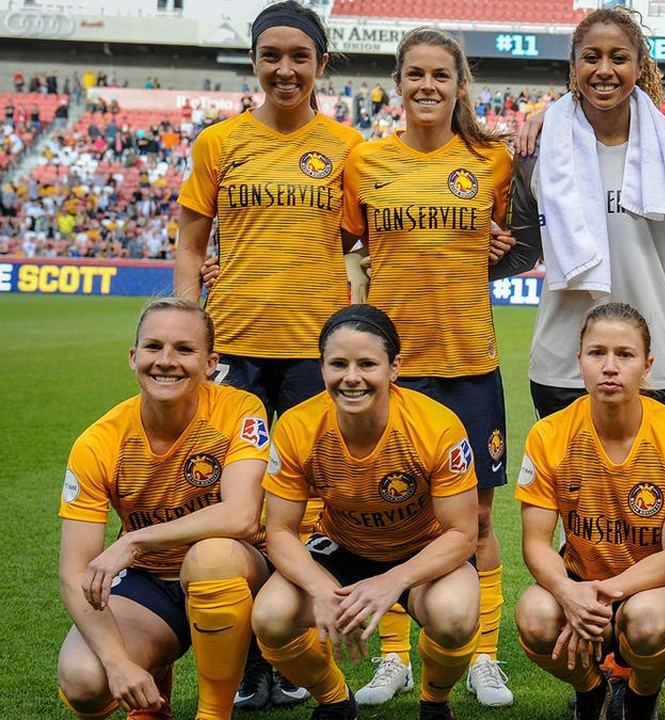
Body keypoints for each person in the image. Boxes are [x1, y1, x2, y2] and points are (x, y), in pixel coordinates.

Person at [174, 2, 367, 708]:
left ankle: (290, 649)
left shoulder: (348, 147)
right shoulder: (219, 143)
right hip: (234, 347)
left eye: (299, 56)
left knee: (309, 509)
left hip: (316, 355)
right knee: (236, 505)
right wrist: (188, 332)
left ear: (321, 64)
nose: (285, 69)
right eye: (271, 56)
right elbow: (191, 243)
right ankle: (248, 658)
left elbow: (355, 235)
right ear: (254, 61)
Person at [339, 26, 515, 707]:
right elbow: (343, 247)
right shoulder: (366, 162)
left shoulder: (492, 161)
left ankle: (484, 655)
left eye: (441, 74)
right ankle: (392, 657)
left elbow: (512, 244)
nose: (428, 86)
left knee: (477, 517)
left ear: (460, 84)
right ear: (397, 83)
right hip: (394, 369)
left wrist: (498, 249)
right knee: (387, 515)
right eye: (415, 73)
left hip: (469, 360)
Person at [250, 305, 481, 720]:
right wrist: (321, 588)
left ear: (394, 368)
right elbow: (280, 531)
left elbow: (462, 534)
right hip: (341, 548)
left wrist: (393, 580)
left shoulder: (437, 426)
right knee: (270, 617)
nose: (351, 377)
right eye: (338, 364)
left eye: (367, 364)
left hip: (422, 551)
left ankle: (434, 704)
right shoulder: (297, 426)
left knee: (454, 617)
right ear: (322, 368)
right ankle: (336, 702)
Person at [57, 298, 270, 720]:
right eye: (153, 346)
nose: (166, 360)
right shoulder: (98, 442)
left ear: (210, 364)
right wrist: (117, 663)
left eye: (184, 349)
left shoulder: (240, 409)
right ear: (133, 357)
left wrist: (133, 540)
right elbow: (74, 571)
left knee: (210, 558)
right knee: (84, 681)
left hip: (241, 572)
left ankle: (214, 713)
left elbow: (242, 515)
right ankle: (154, 682)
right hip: (152, 582)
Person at [506, 6, 665, 419]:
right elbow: (523, 252)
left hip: (653, 363)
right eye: (591, 57)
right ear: (574, 65)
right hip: (562, 363)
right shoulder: (538, 150)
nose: (604, 70)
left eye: (618, 58)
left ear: (639, 66)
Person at [515, 302, 665, 720]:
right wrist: (567, 592)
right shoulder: (548, 434)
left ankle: (641, 695)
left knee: (646, 622)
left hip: (655, 589)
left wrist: (600, 596)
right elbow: (535, 543)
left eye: (625, 355)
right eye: (597, 353)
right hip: (579, 581)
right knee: (534, 618)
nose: (609, 367)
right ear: (579, 360)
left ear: (647, 365)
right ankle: (591, 690)